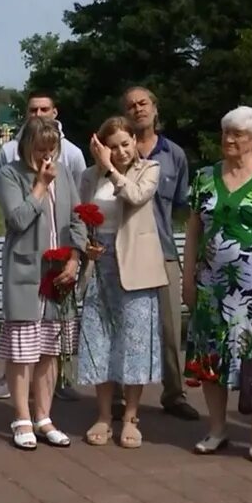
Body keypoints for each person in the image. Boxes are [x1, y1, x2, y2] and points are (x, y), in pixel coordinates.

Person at [183, 106, 252, 463]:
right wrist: (187, 278)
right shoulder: (204, 178)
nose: (229, 139)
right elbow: (192, 233)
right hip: (212, 288)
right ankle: (217, 429)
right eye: (226, 132)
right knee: (211, 360)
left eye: (238, 134)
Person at [0, 116, 87, 450]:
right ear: (25, 148)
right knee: (23, 350)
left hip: (58, 272)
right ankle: (21, 418)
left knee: (50, 348)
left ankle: (44, 417)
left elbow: (78, 218)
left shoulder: (63, 176)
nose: (47, 158)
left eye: (52, 150)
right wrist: (38, 186)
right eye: (39, 150)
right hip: (25, 272)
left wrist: (75, 258)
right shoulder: (10, 174)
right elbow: (17, 219)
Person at [77, 117, 167, 448]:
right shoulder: (89, 176)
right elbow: (81, 214)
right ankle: (103, 415)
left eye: (125, 143)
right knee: (99, 339)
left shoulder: (149, 169)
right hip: (101, 265)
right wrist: (85, 243)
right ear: (101, 146)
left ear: (134, 140)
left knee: (134, 341)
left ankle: (131, 416)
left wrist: (110, 169)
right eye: (112, 147)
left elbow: (135, 196)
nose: (120, 151)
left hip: (136, 266)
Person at [120, 86, 198, 421]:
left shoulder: (174, 155)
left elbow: (182, 205)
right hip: (124, 252)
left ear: (155, 108)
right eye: (131, 105)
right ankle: (122, 397)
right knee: (125, 326)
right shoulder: (117, 151)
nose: (138, 109)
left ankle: (173, 394)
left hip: (163, 250)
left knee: (169, 328)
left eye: (143, 103)